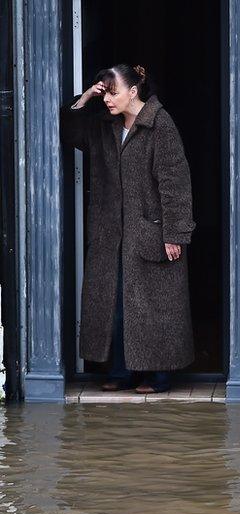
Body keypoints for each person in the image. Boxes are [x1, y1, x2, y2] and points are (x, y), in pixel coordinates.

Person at [60, 64, 196, 394]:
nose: (108, 100)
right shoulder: (106, 126)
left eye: (113, 92)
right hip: (112, 233)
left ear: (133, 92)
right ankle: (121, 372)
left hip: (150, 232)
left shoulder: (159, 124)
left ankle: (158, 376)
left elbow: (175, 183)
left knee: (154, 308)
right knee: (116, 306)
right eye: (104, 93)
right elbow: (72, 135)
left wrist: (175, 233)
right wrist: (84, 100)